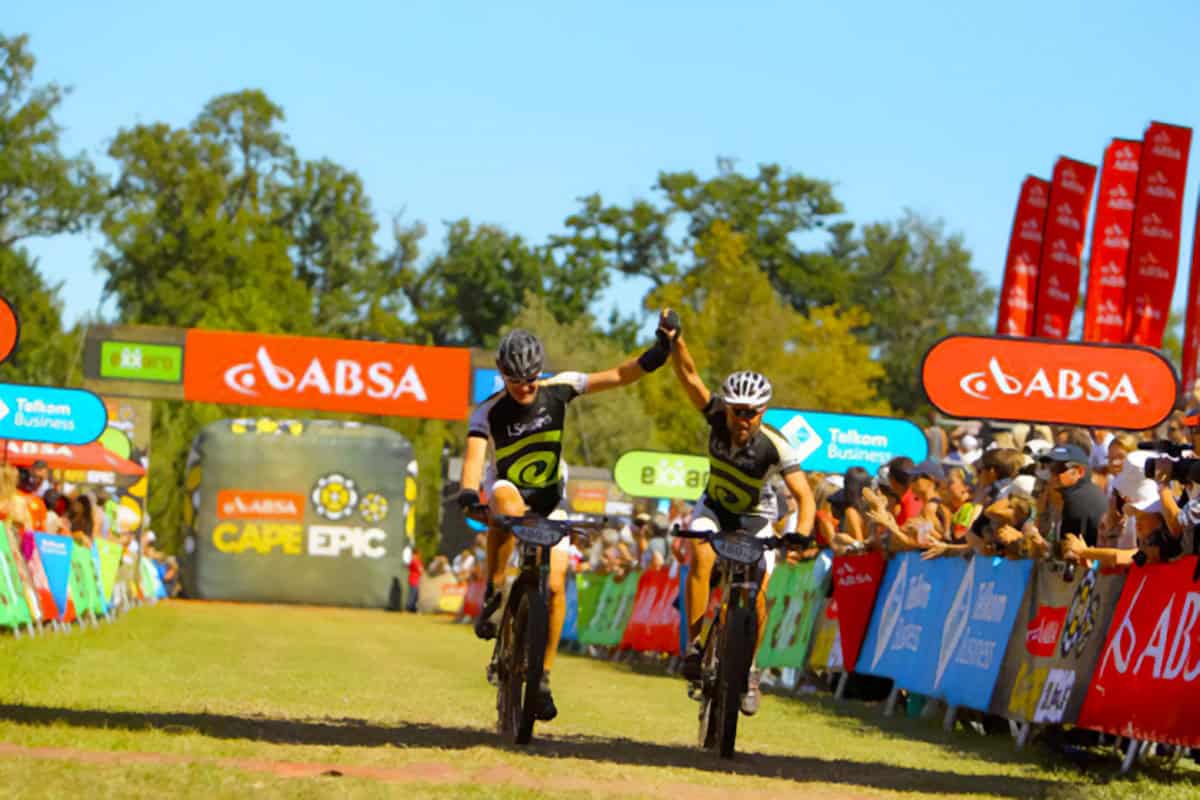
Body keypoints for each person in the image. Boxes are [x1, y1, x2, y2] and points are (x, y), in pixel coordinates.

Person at [457, 312, 676, 722]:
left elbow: (618, 375)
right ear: (502, 374)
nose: (526, 387)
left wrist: (659, 352)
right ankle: (496, 589)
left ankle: (542, 677)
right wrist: (470, 494)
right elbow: (474, 459)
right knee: (504, 504)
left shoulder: (559, 388)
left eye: (532, 379)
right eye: (517, 380)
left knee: (555, 587)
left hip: (550, 498)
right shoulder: (486, 412)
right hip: (509, 489)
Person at [665, 323, 815, 717]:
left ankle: (749, 669)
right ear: (727, 407)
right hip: (714, 508)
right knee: (700, 556)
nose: (743, 418)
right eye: (737, 411)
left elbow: (804, 495)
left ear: (763, 412)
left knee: (758, 594)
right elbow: (689, 374)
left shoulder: (776, 444)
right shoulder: (715, 416)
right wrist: (676, 340)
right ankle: (695, 649)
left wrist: (800, 533)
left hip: (756, 518)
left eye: (751, 413)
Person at [1045, 444, 1107, 547]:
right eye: (1051, 467)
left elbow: (1069, 552)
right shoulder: (1086, 492)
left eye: (1059, 468)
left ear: (1080, 472)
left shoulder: (1076, 500)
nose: (1053, 473)